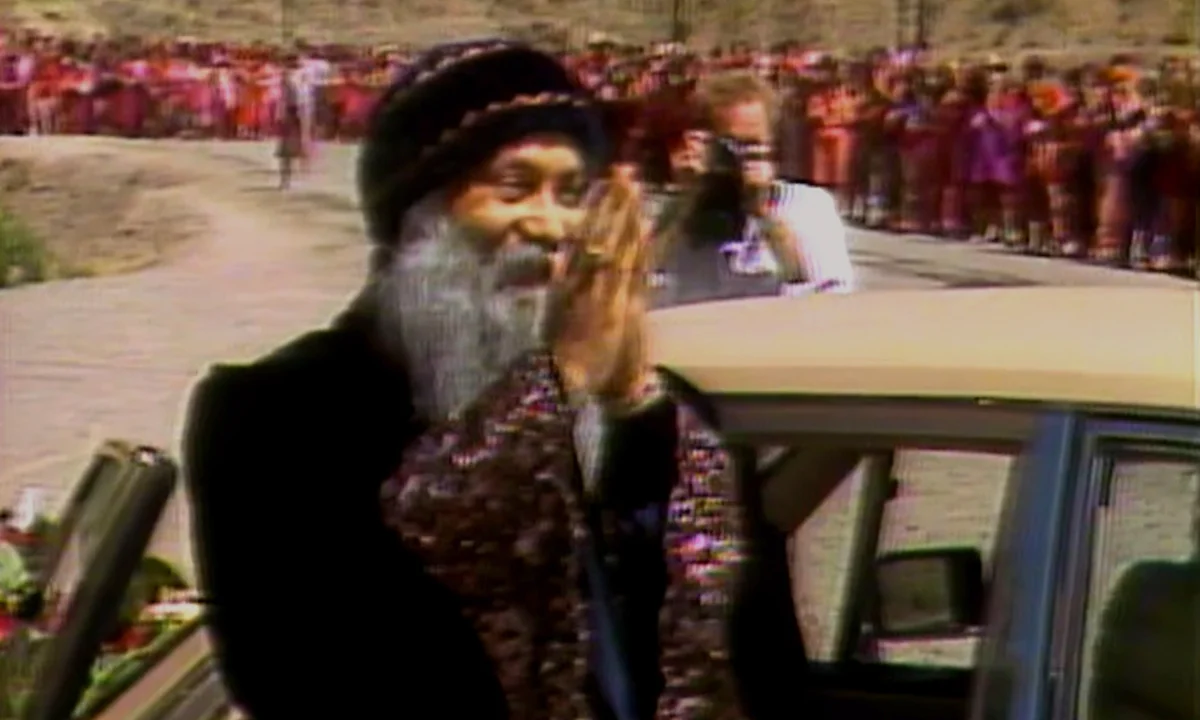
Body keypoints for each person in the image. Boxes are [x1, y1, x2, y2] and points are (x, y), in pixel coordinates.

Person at [183, 40, 797, 720]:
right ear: (420, 214)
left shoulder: (656, 420)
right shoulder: (279, 415)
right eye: (514, 187)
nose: (550, 224)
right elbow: (300, 682)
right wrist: (532, 427)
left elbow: (765, 665)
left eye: (570, 194)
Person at [649, 69, 856, 308]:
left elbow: (831, 298)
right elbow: (644, 288)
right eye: (728, 147)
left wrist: (764, 214)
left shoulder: (805, 206)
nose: (739, 158)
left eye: (751, 145)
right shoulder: (680, 213)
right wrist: (689, 197)